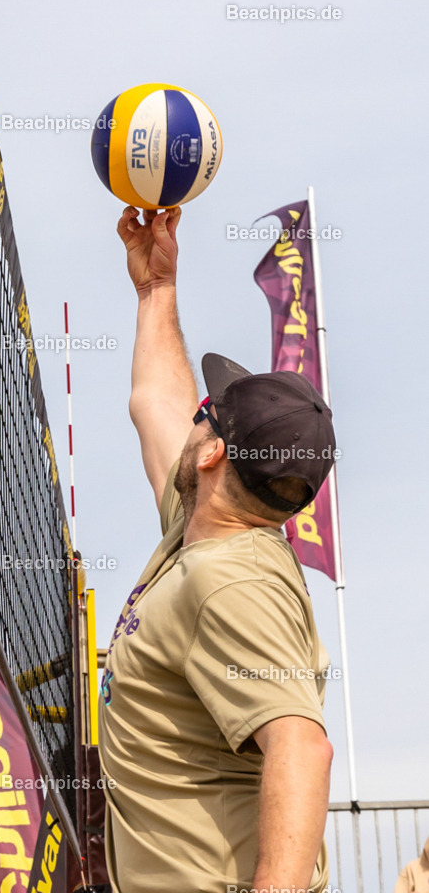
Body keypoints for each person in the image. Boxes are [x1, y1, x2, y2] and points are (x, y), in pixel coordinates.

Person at [98, 206, 337, 893]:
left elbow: (301, 749)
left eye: (205, 414)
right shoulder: (205, 533)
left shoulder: (230, 581)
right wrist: (155, 291)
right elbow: (156, 401)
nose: (191, 415)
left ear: (212, 456)